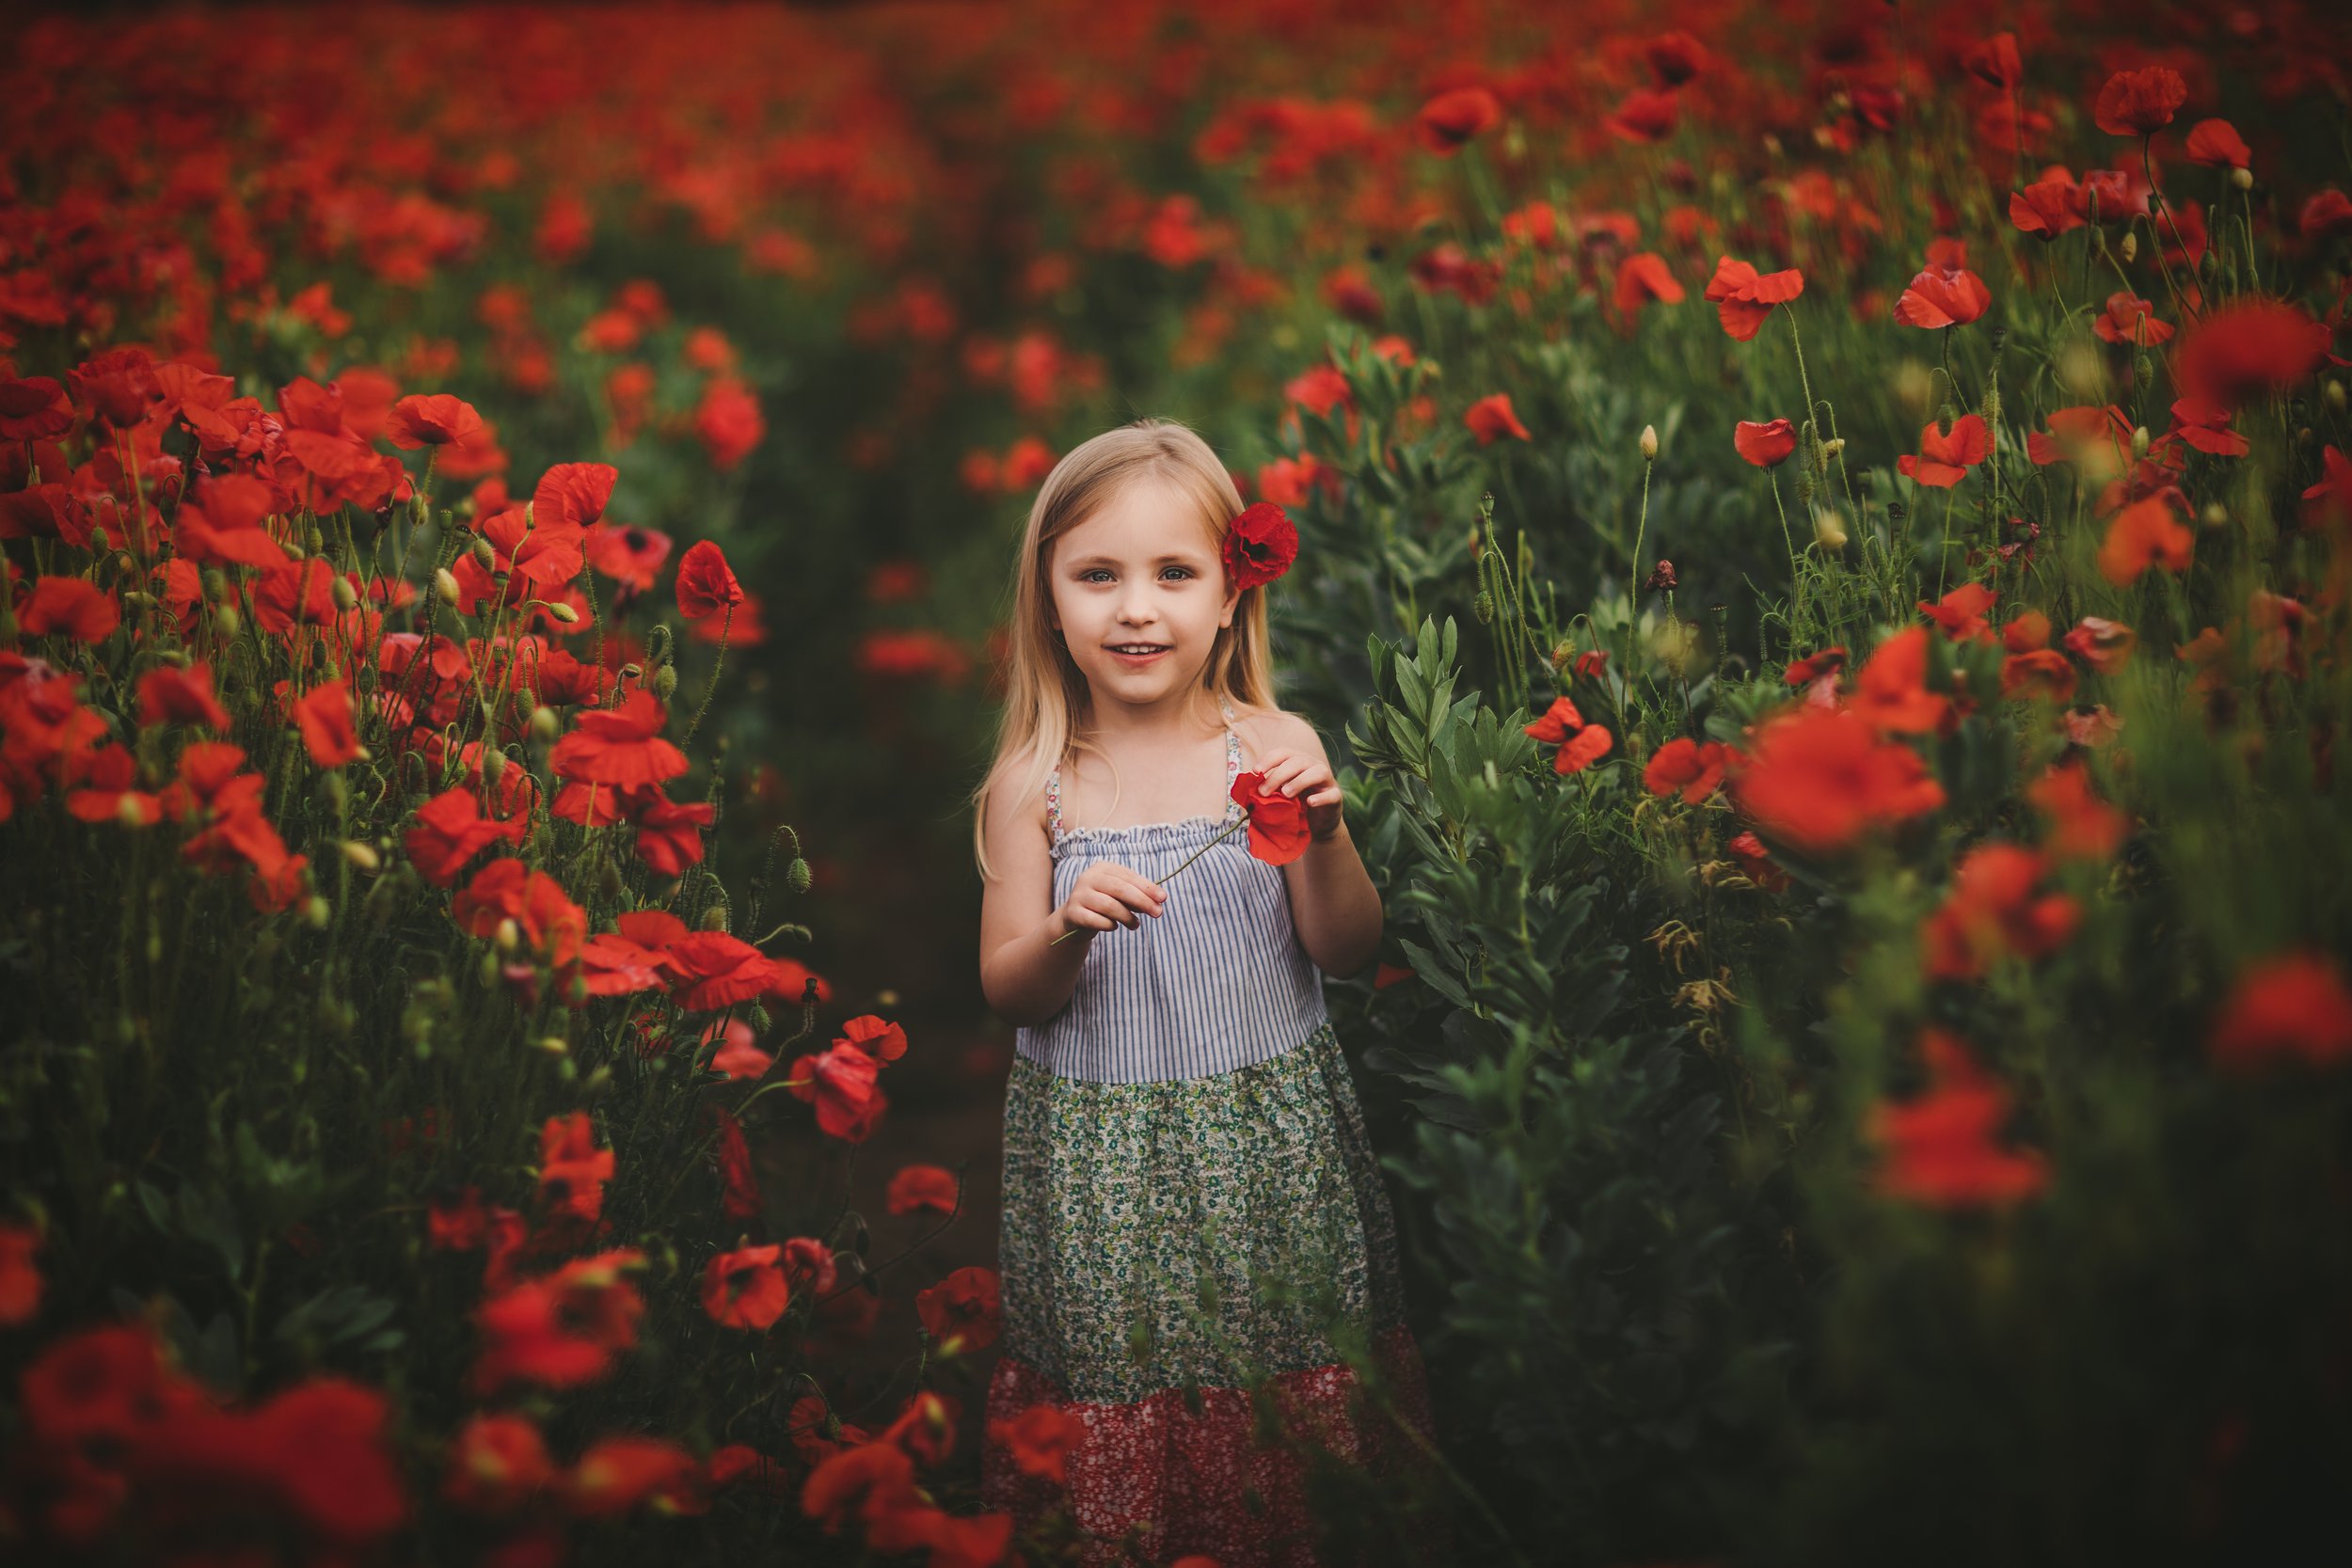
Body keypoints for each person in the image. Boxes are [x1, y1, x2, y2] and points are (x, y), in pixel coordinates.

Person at [971, 418, 1439, 1565]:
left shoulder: (1272, 744)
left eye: (1174, 573)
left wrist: (1326, 834)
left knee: (1284, 1380)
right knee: (1124, 1385)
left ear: (1229, 597)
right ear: (1049, 602)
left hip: (1267, 1145)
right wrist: (1067, 933)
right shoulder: (1035, 785)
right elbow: (1006, 989)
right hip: (1105, 1165)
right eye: (1098, 576)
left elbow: (1343, 947)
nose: (1137, 608)